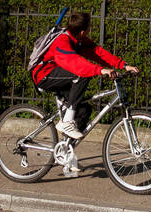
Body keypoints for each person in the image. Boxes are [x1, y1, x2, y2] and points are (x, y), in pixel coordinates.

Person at [31, 10, 138, 140]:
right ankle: (66, 122)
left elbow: (98, 52)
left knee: (84, 110)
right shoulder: (62, 41)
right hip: (44, 74)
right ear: (82, 31)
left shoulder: (78, 39)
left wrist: (124, 65)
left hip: (59, 74)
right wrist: (101, 70)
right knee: (81, 75)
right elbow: (76, 64)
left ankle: (65, 150)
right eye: (89, 27)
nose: (90, 29)